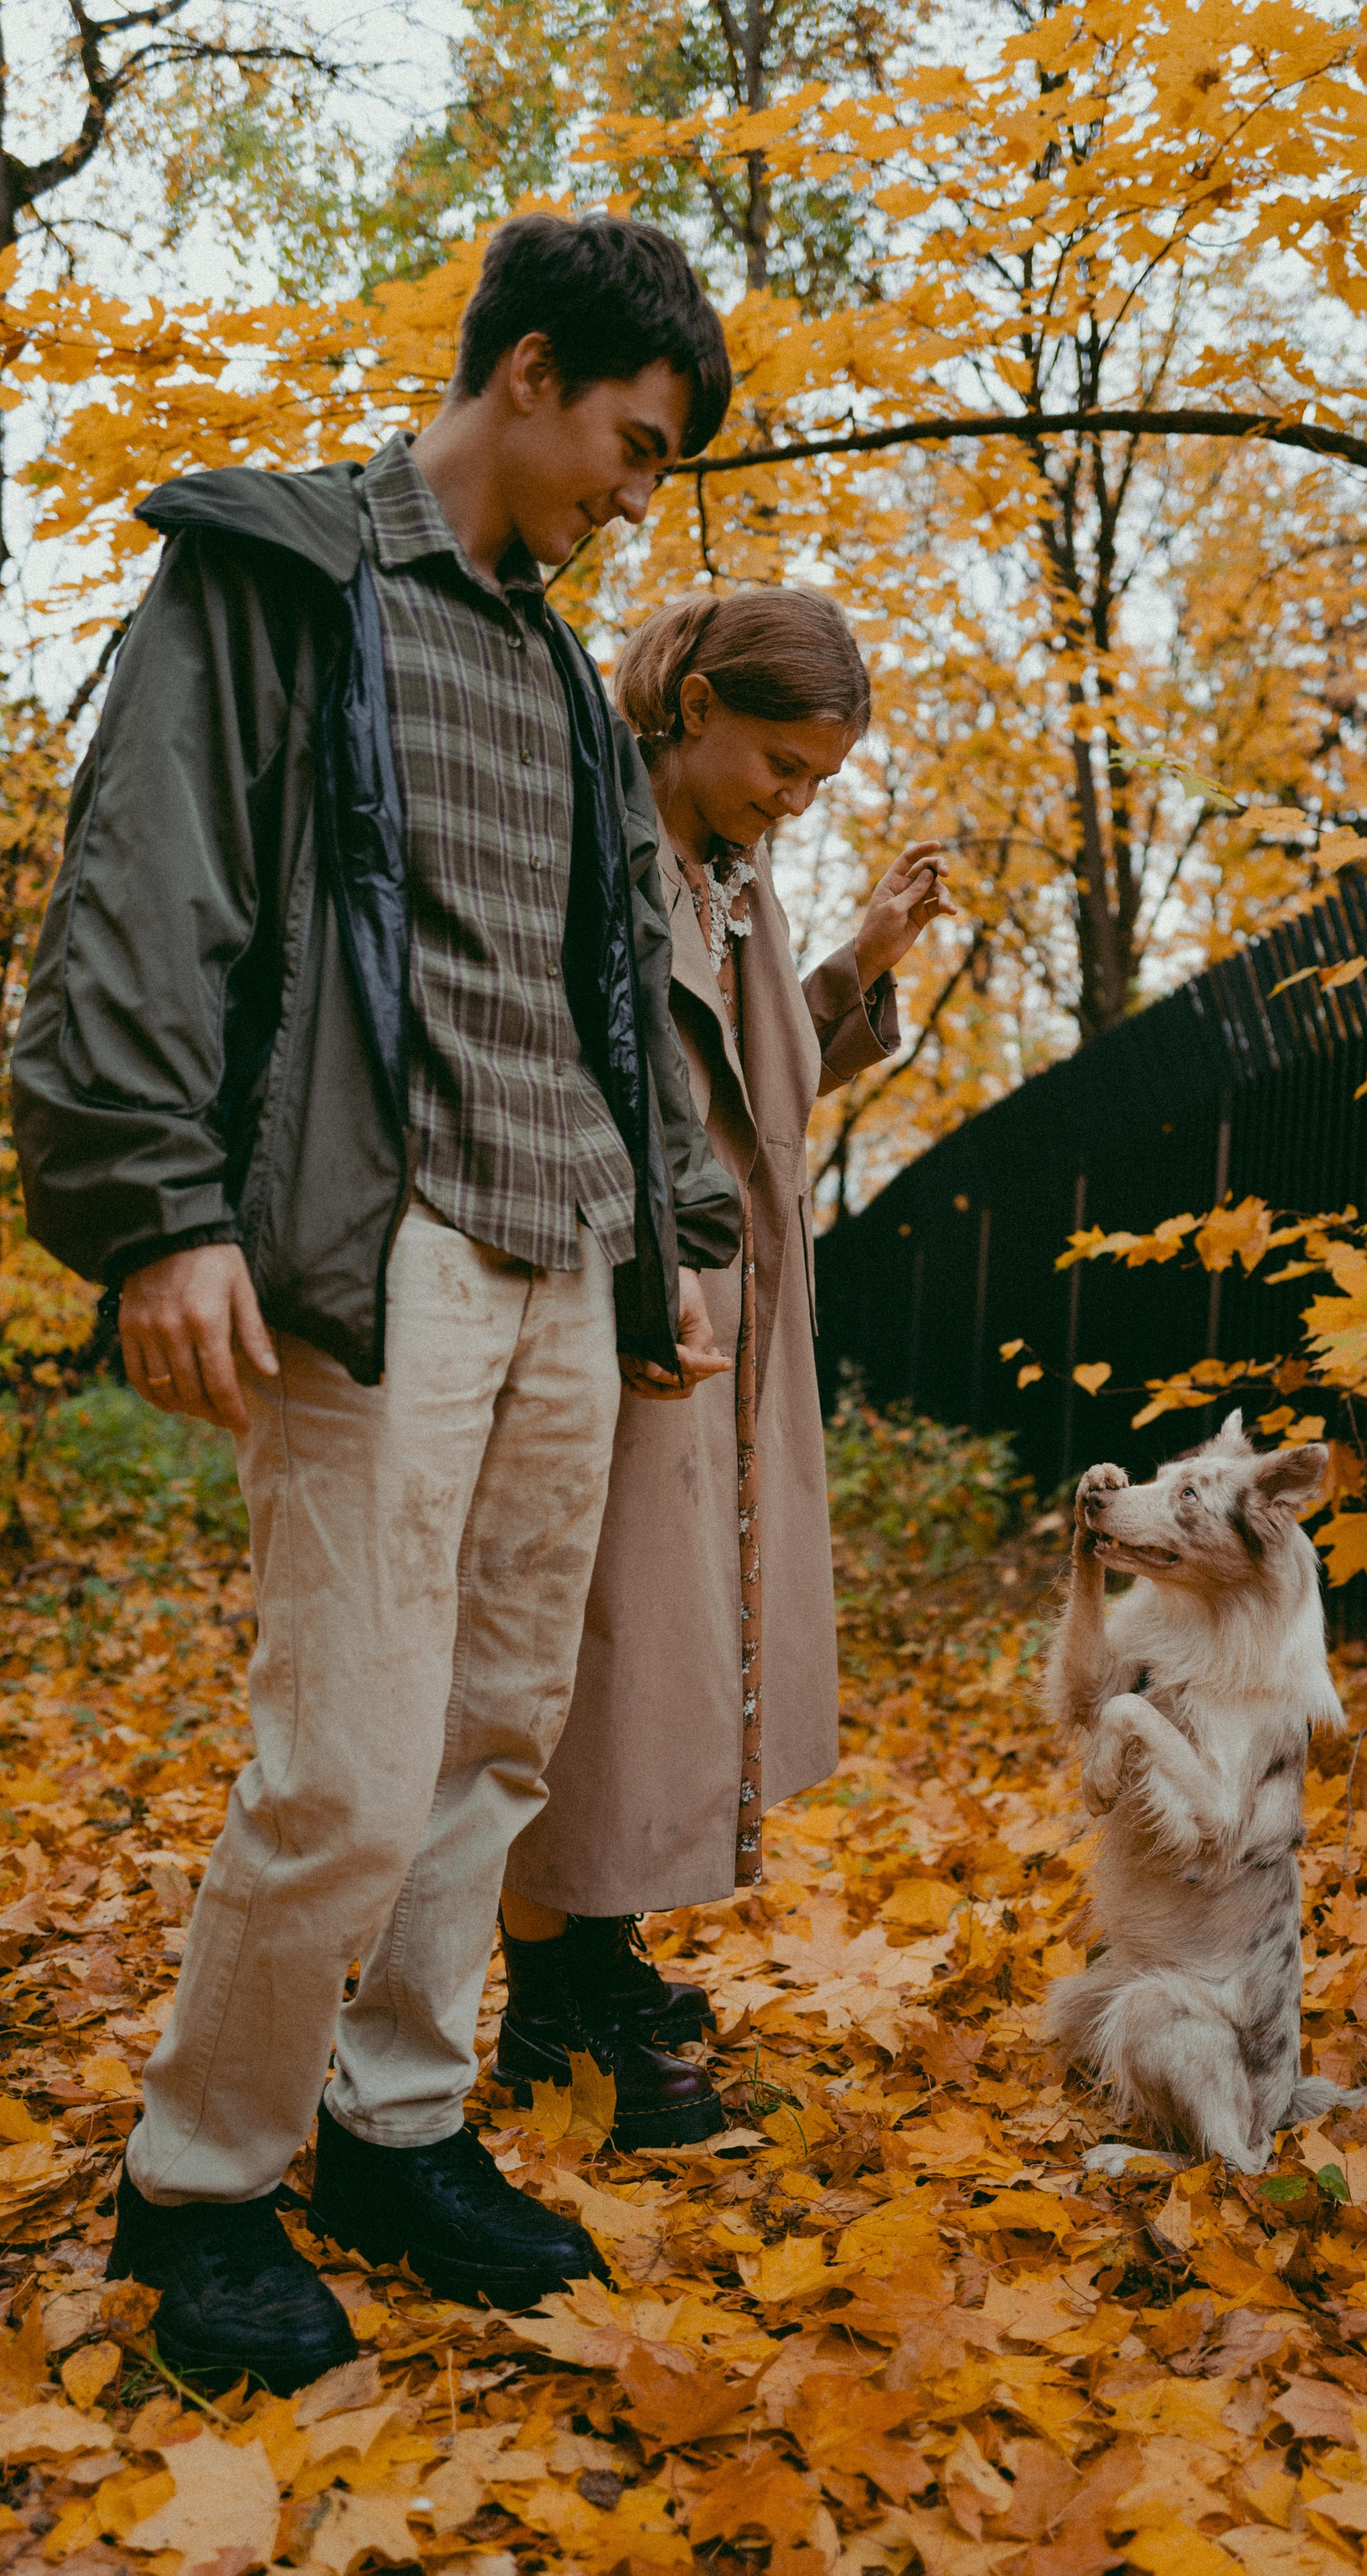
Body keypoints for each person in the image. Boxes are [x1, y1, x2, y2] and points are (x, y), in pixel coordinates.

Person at [11, 213, 745, 2391]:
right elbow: (147, 890)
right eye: (628, 439)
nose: (638, 493)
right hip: (378, 1247)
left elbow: (618, 983)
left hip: (563, 1257)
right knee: (342, 1755)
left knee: (493, 1733)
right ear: (525, 375)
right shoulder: (280, 576)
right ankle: (198, 2176)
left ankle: (396, 2116)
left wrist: (673, 1228)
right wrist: (157, 1202)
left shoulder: (557, 684)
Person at [493, 589, 953, 2136]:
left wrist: (858, 957)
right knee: (598, 1654)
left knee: (672, 1654)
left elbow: (758, 1091)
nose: (793, 796)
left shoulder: (726, 871)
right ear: (689, 707)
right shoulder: (593, 837)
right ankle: (553, 2016)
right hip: (619, 1301)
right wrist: (631, 1278)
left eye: (819, 779)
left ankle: (602, 1961)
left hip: (724, 1318)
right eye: (778, 760)